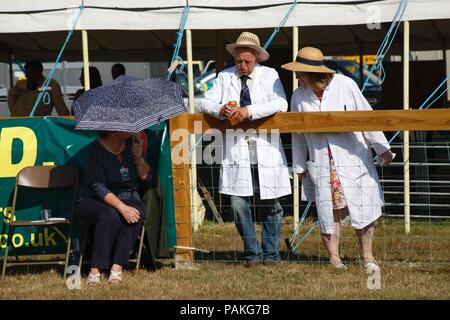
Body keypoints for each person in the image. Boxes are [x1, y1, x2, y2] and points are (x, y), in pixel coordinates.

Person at [282, 47, 395, 271]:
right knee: (327, 209)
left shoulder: (345, 85)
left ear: (313, 73)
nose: (297, 77)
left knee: (363, 207)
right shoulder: (298, 95)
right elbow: (297, 132)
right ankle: (334, 257)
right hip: (321, 159)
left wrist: (382, 148)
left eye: (300, 73)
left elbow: (366, 117)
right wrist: (299, 164)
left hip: (353, 158)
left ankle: (368, 256)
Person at [198, 32, 291, 263]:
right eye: (239, 61)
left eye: (247, 61)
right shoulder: (224, 77)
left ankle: (271, 253)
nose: (242, 65)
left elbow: (280, 103)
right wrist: (221, 109)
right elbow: (203, 102)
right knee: (238, 204)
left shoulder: (270, 75)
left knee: (271, 204)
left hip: (265, 148)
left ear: (257, 58)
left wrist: (248, 111)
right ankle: (252, 251)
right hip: (236, 150)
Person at [75, 131, 152, 284]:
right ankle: (96, 269)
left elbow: (146, 177)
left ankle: (117, 268)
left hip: (128, 195)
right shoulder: (94, 150)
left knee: (135, 214)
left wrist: (139, 159)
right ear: (112, 131)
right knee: (110, 214)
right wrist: (122, 208)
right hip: (94, 198)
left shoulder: (132, 145)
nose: (130, 128)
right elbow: (98, 187)